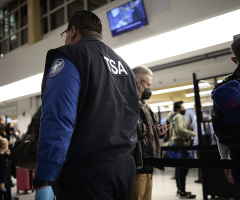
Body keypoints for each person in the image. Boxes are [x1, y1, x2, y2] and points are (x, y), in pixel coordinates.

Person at [33, 10, 139, 200]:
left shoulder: (70, 56)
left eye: (66, 34)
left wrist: (44, 178)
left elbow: (58, 118)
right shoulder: (124, 66)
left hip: (88, 173)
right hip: (125, 167)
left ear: (72, 31)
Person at [131, 66, 168, 200]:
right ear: (137, 81)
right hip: (137, 167)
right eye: (148, 84)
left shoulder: (147, 108)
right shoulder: (128, 106)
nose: (149, 89)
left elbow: (148, 132)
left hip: (149, 165)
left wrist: (160, 132)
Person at [211, 36, 240, 195]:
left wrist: (226, 160)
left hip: (237, 154)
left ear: (234, 59)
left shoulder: (224, 88)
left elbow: (219, 127)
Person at [167, 101, 196, 199]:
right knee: (183, 169)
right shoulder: (179, 117)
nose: (184, 109)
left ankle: (180, 190)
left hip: (176, 144)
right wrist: (191, 133)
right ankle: (182, 191)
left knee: (179, 168)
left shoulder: (173, 117)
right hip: (181, 145)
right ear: (178, 109)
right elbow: (179, 130)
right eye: (182, 107)